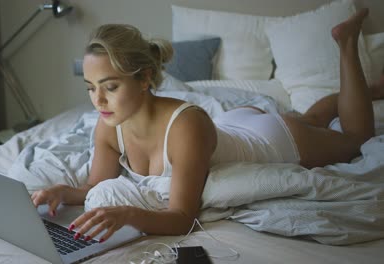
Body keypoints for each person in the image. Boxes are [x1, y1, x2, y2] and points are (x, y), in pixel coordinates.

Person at [32, 8, 383, 243]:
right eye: (91, 88)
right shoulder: (109, 125)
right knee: (309, 117)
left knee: (355, 138)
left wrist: (127, 214)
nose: (98, 101)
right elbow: (97, 184)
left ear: (145, 79)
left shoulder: (185, 124)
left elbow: (183, 217)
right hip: (232, 124)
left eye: (110, 87)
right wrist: (64, 191)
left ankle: (347, 43)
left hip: (272, 140)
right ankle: (370, 90)